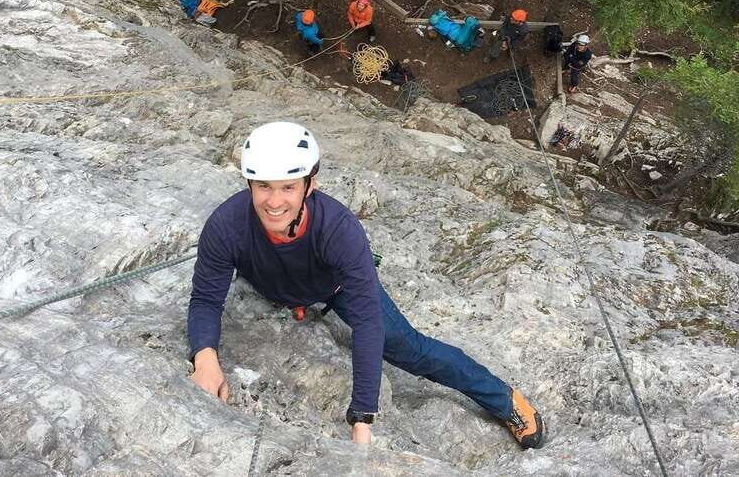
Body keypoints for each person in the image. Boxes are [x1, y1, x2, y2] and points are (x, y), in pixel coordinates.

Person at [187, 121, 546, 448]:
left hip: (335, 288)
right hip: (273, 285)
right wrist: (205, 358)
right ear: (249, 184)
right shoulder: (226, 226)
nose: (274, 201)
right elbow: (206, 298)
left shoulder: (339, 230)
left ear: (310, 185)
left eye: (288, 187)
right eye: (263, 186)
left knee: (410, 348)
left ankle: (504, 400)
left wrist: (361, 415)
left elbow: (368, 325)